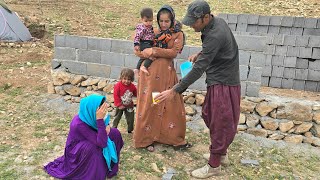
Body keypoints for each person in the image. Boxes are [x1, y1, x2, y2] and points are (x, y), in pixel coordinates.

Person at [155, 0, 241, 178]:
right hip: (219, 78)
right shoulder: (217, 23)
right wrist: (202, 53)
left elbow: (199, 69)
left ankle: (214, 165)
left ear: (206, 17)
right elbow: (216, 49)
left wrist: (175, 90)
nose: (192, 25)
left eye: (194, 21)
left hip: (223, 82)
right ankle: (221, 153)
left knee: (218, 122)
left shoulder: (215, 34)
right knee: (209, 114)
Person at [133, 5, 191, 152]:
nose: (164, 24)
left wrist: (154, 50)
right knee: (150, 105)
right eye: (161, 21)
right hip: (150, 75)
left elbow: (173, 52)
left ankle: (173, 138)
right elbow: (142, 50)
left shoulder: (178, 34)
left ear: (172, 20)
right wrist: (142, 54)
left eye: (167, 21)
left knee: (171, 105)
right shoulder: (154, 32)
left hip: (167, 74)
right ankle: (145, 139)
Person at [44, 94, 124, 179]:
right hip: (76, 150)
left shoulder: (92, 114)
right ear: (92, 109)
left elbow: (105, 119)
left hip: (91, 138)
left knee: (115, 133)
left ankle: (110, 167)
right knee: (93, 148)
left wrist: (107, 124)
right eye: (100, 109)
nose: (103, 111)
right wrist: (100, 120)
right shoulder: (78, 124)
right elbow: (102, 143)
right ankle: (95, 172)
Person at [112, 68, 137, 133]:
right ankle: (114, 128)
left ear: (131, 79)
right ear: (121, 78)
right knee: (117, 117)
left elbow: (136, 93)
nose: (126, 81)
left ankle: (130, 130)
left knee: (131, 118)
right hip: (120, 105)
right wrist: (119, 105)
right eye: (124, 79)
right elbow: (115, 95)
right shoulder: (118, 85)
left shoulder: (132, 86)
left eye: (129, 79)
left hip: (129, 105)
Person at [133, 7, 155, 75]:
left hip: (149, 43)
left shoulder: (150, 27)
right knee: (152, 55)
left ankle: (137, 68)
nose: (148, 23)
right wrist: (136, 44)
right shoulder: (142, 28)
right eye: (146, 21)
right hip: (144, 43)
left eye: (150, 20)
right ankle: (144, 66)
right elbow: (137, 36)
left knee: (143, 57)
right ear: (142, 20)